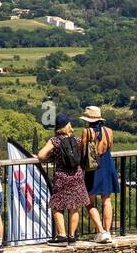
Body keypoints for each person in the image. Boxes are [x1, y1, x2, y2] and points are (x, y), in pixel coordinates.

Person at [37, 114, 90, 245]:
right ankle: (72, 237)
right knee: (74, 207)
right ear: (68, 126)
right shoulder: (77, 140)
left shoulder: (55, 141)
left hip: (62, 177)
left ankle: (61, 236)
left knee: (56, 205)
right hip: (77, 176)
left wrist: (53, 155)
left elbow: (41, 155)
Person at [79, 105, 118, 243]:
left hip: (93, 168)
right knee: (107, 200)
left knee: (89, 202)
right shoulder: (109, 131)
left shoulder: (87, 132)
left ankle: (100, 231)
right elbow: (109, 147)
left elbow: (82, 150)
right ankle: (107, 232)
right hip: (108, 164)